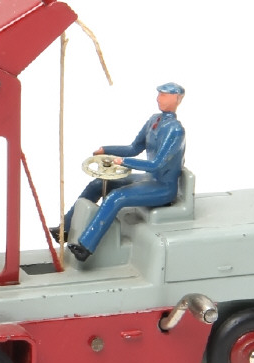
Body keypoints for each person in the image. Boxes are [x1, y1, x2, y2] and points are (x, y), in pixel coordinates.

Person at [53, 82, 186, 262]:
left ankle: (85, 247)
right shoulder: (154, 120)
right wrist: (106, 150)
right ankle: (65, 229)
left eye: (163, 95)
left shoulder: (176, 130)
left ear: (177, 99)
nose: (158, 98)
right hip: (149, 179)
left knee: (116, 197)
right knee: (97, 184)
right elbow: (133, 148)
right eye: (159, 94)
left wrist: (123, 162)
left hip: (163, 188)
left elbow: (156, 164)